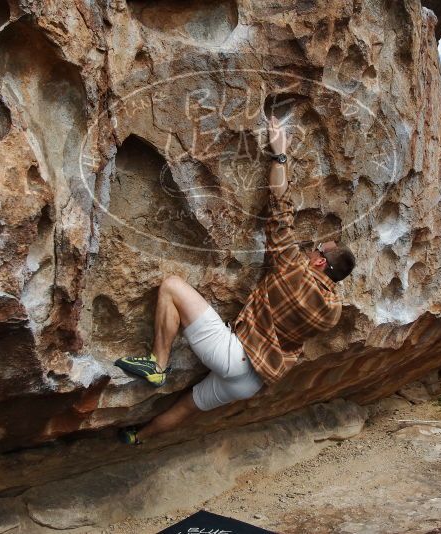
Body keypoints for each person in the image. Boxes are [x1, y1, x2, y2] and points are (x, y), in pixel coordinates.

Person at [114, 116, 356, 444]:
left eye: (317, 249)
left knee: (171, 286)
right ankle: (136, 437)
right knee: (187, 407)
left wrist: (279, 154)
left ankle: (158, 363)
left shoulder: (293, 269)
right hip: (252, 381)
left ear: (317, 261)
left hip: (235, 356)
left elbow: (279, 208)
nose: (312, 248)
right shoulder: (333, 311)